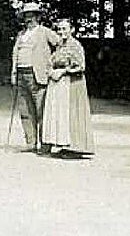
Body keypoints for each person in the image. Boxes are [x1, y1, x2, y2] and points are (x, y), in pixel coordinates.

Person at [40, 18, 95, 158]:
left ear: (72, 30)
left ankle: (76, 147)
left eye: (65, 29)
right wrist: (51, 71)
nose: (61, 32)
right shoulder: (60, 46)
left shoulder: (75, 45)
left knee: (72, 113)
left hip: (72, 84)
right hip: (59, 84)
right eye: (59, 29)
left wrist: (63, 71)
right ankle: (64, 144)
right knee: (61, 114)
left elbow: (80, 66)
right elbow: (52, 61)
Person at [9, 2, 59, 153]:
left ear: (38, 16)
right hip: (21, 74)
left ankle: (45, 144)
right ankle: (31, 142)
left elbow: (60, 44)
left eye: (31, 15)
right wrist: (13, 73)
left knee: (41, 109)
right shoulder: (21, 34)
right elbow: (15, 55)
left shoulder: (44, 32)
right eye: (26, 15)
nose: (28, 18)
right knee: (25, 110)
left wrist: (52, 63)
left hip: (37, 75)